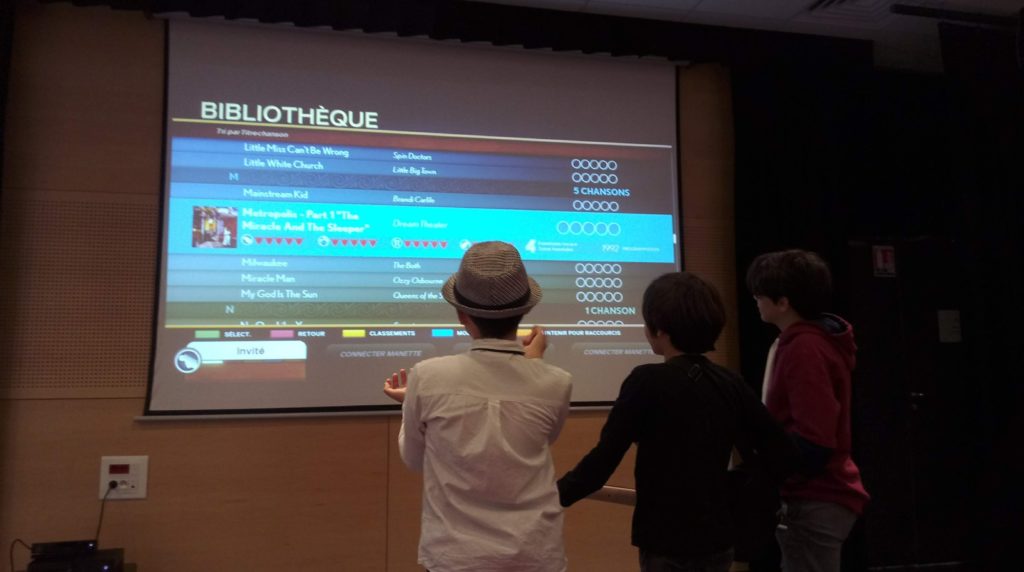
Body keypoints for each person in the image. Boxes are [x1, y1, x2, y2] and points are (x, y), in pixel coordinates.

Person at [557, 272, 797, 572]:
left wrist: (552, 496)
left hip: (664, 537)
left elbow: (603, 461)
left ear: (658, 329)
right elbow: (782, 451)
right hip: (717, 536)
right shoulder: (729, 382)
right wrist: (734, 483)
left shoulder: (646, 381)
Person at [383, 240, 573, 572]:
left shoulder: (428, 377)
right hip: (535, 555)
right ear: (525, 310)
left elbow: (414, 459)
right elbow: (534, 437)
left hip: (455, 557)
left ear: (461, 315)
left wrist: (412, 403)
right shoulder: (557, 382)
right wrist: (533, 363)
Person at [745, 249, 870, 572]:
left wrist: (778, 472)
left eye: (760, 294)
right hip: (816, 493)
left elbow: (816, 438)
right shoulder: (806, 341)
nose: (755, 299)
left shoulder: (805, 347)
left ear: (783, 302)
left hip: (816, 495)